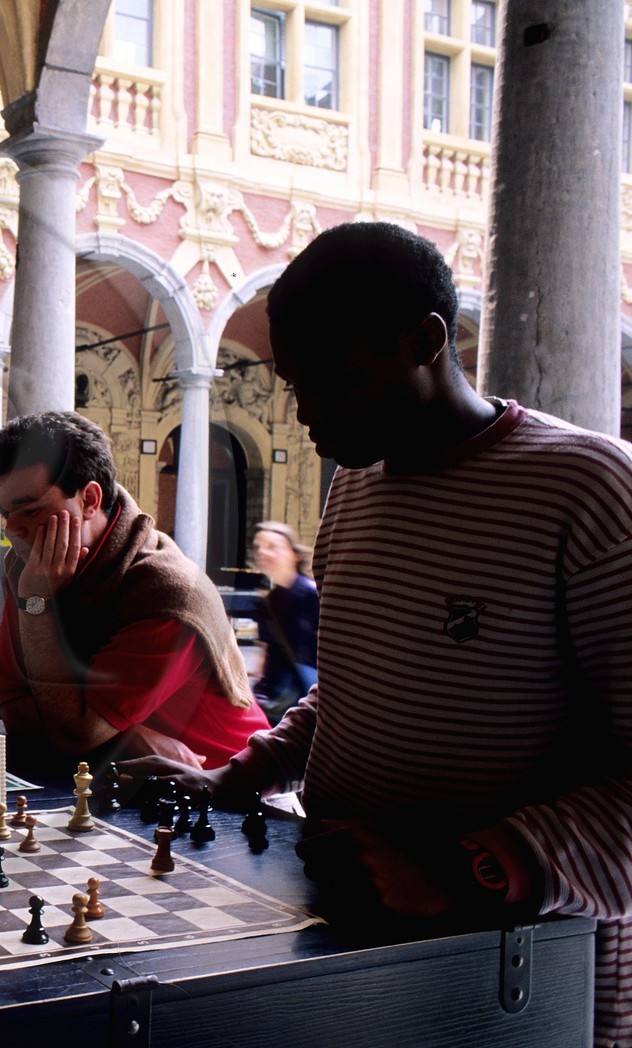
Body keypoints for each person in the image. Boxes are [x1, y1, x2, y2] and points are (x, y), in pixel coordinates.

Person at [119, 222, 632, 1048]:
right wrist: (238, 777)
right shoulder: (356, 487)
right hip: (354, 941)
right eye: (293, 382)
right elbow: (357, 692)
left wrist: (459, 871)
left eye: (332, 378)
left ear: (425, 340)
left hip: (516, 971)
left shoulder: (592, 491)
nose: (305, 410)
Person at [0, 411, 269, 774]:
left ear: (89, 500)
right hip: (122, 780)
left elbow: (76, 736)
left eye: (31, 510)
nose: (13, 529)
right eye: (4, 514)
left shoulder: (167, 593)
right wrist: (130, 739)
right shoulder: (28, 569)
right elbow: (12, 703)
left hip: (231, 789)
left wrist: (37, 603)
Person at [249, 520, 319, 721]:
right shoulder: (268, 601)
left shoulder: (311, 594)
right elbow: (266, 649)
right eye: (259, 547)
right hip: (276, 694)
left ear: (294, 554)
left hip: (306, 696)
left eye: (272, 547)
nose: (263, 552)